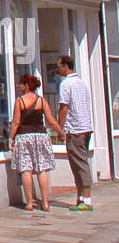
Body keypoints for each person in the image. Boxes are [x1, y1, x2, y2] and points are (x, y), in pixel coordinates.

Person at [9, 73, 64, 211]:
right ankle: (45, 202)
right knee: (42, 169)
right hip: (40, 136)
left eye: (21, 83)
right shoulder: (41, 100)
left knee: (26, 170)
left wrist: (11, 138)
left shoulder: (19, 101)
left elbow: (15, 122)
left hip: (24, 136)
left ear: (27, 85)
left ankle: (28, 203)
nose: (18, 86)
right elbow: (51, 120)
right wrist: (61, 133)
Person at [56, 56, 95, 211]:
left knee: (80, 164)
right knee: (77, 164)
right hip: (85, 127)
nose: (57, 68)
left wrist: (60, 128)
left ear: (65, 66)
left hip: (76, 129)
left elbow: (64, 107)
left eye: (58, 66)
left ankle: (86, 200)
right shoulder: (81, 83)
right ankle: (80, 198)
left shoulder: (66, 84)